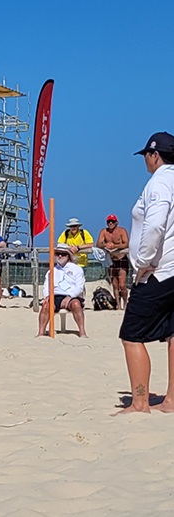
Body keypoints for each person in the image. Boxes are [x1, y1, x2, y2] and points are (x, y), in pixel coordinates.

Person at [115, 131, 174, 415]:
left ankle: (139, 403)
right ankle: (171, 400)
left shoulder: (159, 182)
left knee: (131, 334)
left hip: (159, 271)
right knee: (173, 333)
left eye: (146, 156)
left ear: (154, 155)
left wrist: (144, 262)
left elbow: (154, 226)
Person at [36, 243, 87, 338]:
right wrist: (47, 296)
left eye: (63, 254)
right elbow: (46, 285)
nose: (60, 256)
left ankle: (82, 332)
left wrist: (69, 297)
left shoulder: (76, 269)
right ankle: (41, 332)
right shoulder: (52, 270)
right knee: (46, 305)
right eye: (58, 253)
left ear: (68, 255)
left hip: (72, 296)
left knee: (76, 304)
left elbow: (79, 287)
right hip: (55, 296)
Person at [97, 215, 130, 310]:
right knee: (115, 285)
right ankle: (118, 305)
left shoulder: (122, 231)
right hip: (111, 260)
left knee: (122, 284)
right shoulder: (104, 231)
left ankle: (125, 304)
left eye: (112, 221)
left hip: (122, 259)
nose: (110, 223)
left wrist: (114, 246)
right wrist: (106, 245)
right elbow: (98, 244)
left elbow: (126, 243)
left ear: (116, 222)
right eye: (109, 221)